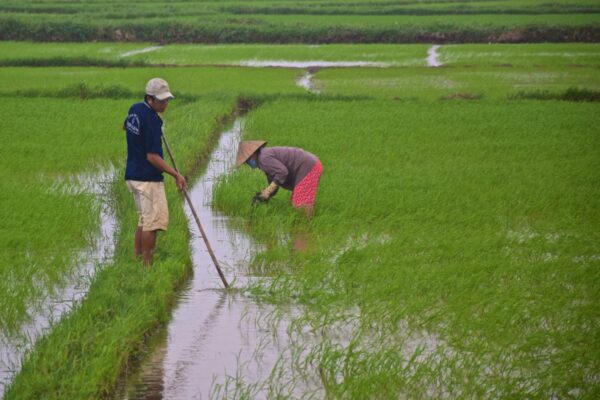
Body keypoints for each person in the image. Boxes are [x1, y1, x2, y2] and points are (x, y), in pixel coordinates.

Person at [123, 78, 187, 265]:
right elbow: (152, 156)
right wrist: (175, 174)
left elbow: (125, 125)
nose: (166, 103)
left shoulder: (135, 109)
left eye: (167, 99)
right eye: (162, 100)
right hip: (147, 178)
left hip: (132, 176)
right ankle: (147, 265)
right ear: (150, 99)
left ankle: (137, 259)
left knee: (144, 220)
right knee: (152, 223)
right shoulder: (151, 120)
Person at [235, 141, 323, 218]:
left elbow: (282, 172)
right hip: (309, 165)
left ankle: (306, 229)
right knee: (294, 201)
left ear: (253, 154)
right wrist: (263, 196)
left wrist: (268, 190)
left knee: (300, 205)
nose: (249, 164)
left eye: (247, 161)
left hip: (309, 167)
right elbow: (275, 181)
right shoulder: (263, 159)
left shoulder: (263, 158)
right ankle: (302, 227)